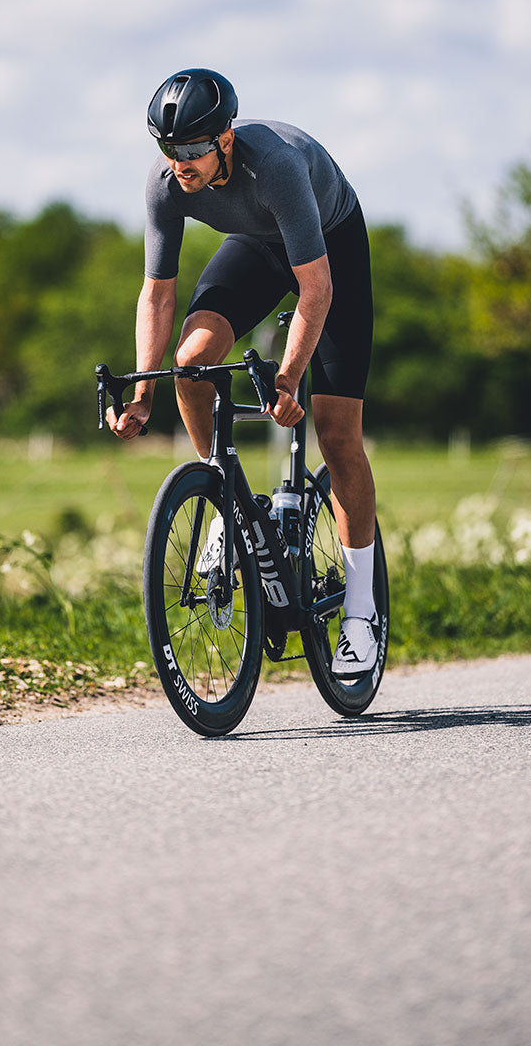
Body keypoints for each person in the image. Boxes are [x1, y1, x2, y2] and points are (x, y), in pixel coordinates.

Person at [108, 68, 378, 677]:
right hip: (258, 246)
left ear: (225, 138)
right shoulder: (165, 184)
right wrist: (143, 392)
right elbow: (156, 296)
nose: (180, 163)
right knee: (191, 363)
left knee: (337, 435)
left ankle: (361, 615)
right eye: (168, 149)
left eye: (194, 150)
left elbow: (317, 287)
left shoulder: (273, 167)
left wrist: (287, 379)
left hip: (329, 247)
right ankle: (223, 494)